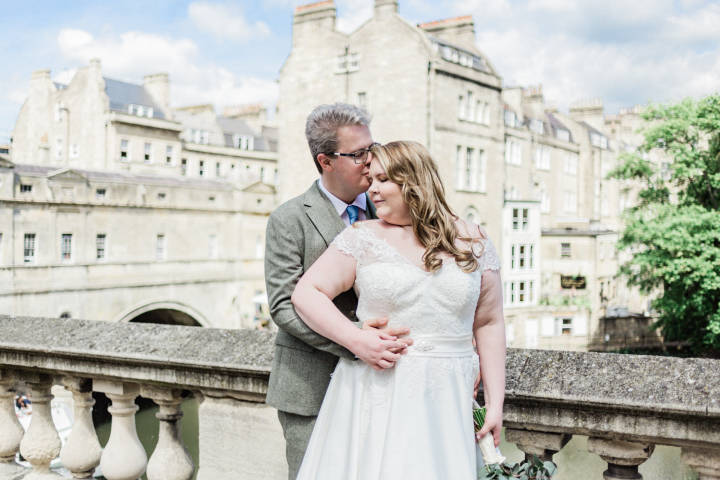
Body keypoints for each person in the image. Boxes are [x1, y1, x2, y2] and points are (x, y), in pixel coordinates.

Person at [291, 141, 506, 479]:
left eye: (382, 180)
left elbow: (490, 323)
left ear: (415, 181)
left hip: (448, 395)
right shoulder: (362, 237)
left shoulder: (474, 240)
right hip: (376, 390)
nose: (371, 190)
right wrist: (355, 339)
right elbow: (307, 293)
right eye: (370, 180)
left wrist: (495, 403)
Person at [264, 103, 413, 480]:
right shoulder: (288, 218)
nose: (370, 160)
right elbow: (284, 305)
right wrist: (355, 343)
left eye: (371, 147)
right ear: (325, 160)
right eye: (358, 153)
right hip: (311, 385)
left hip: (388, 379)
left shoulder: (392, 209)